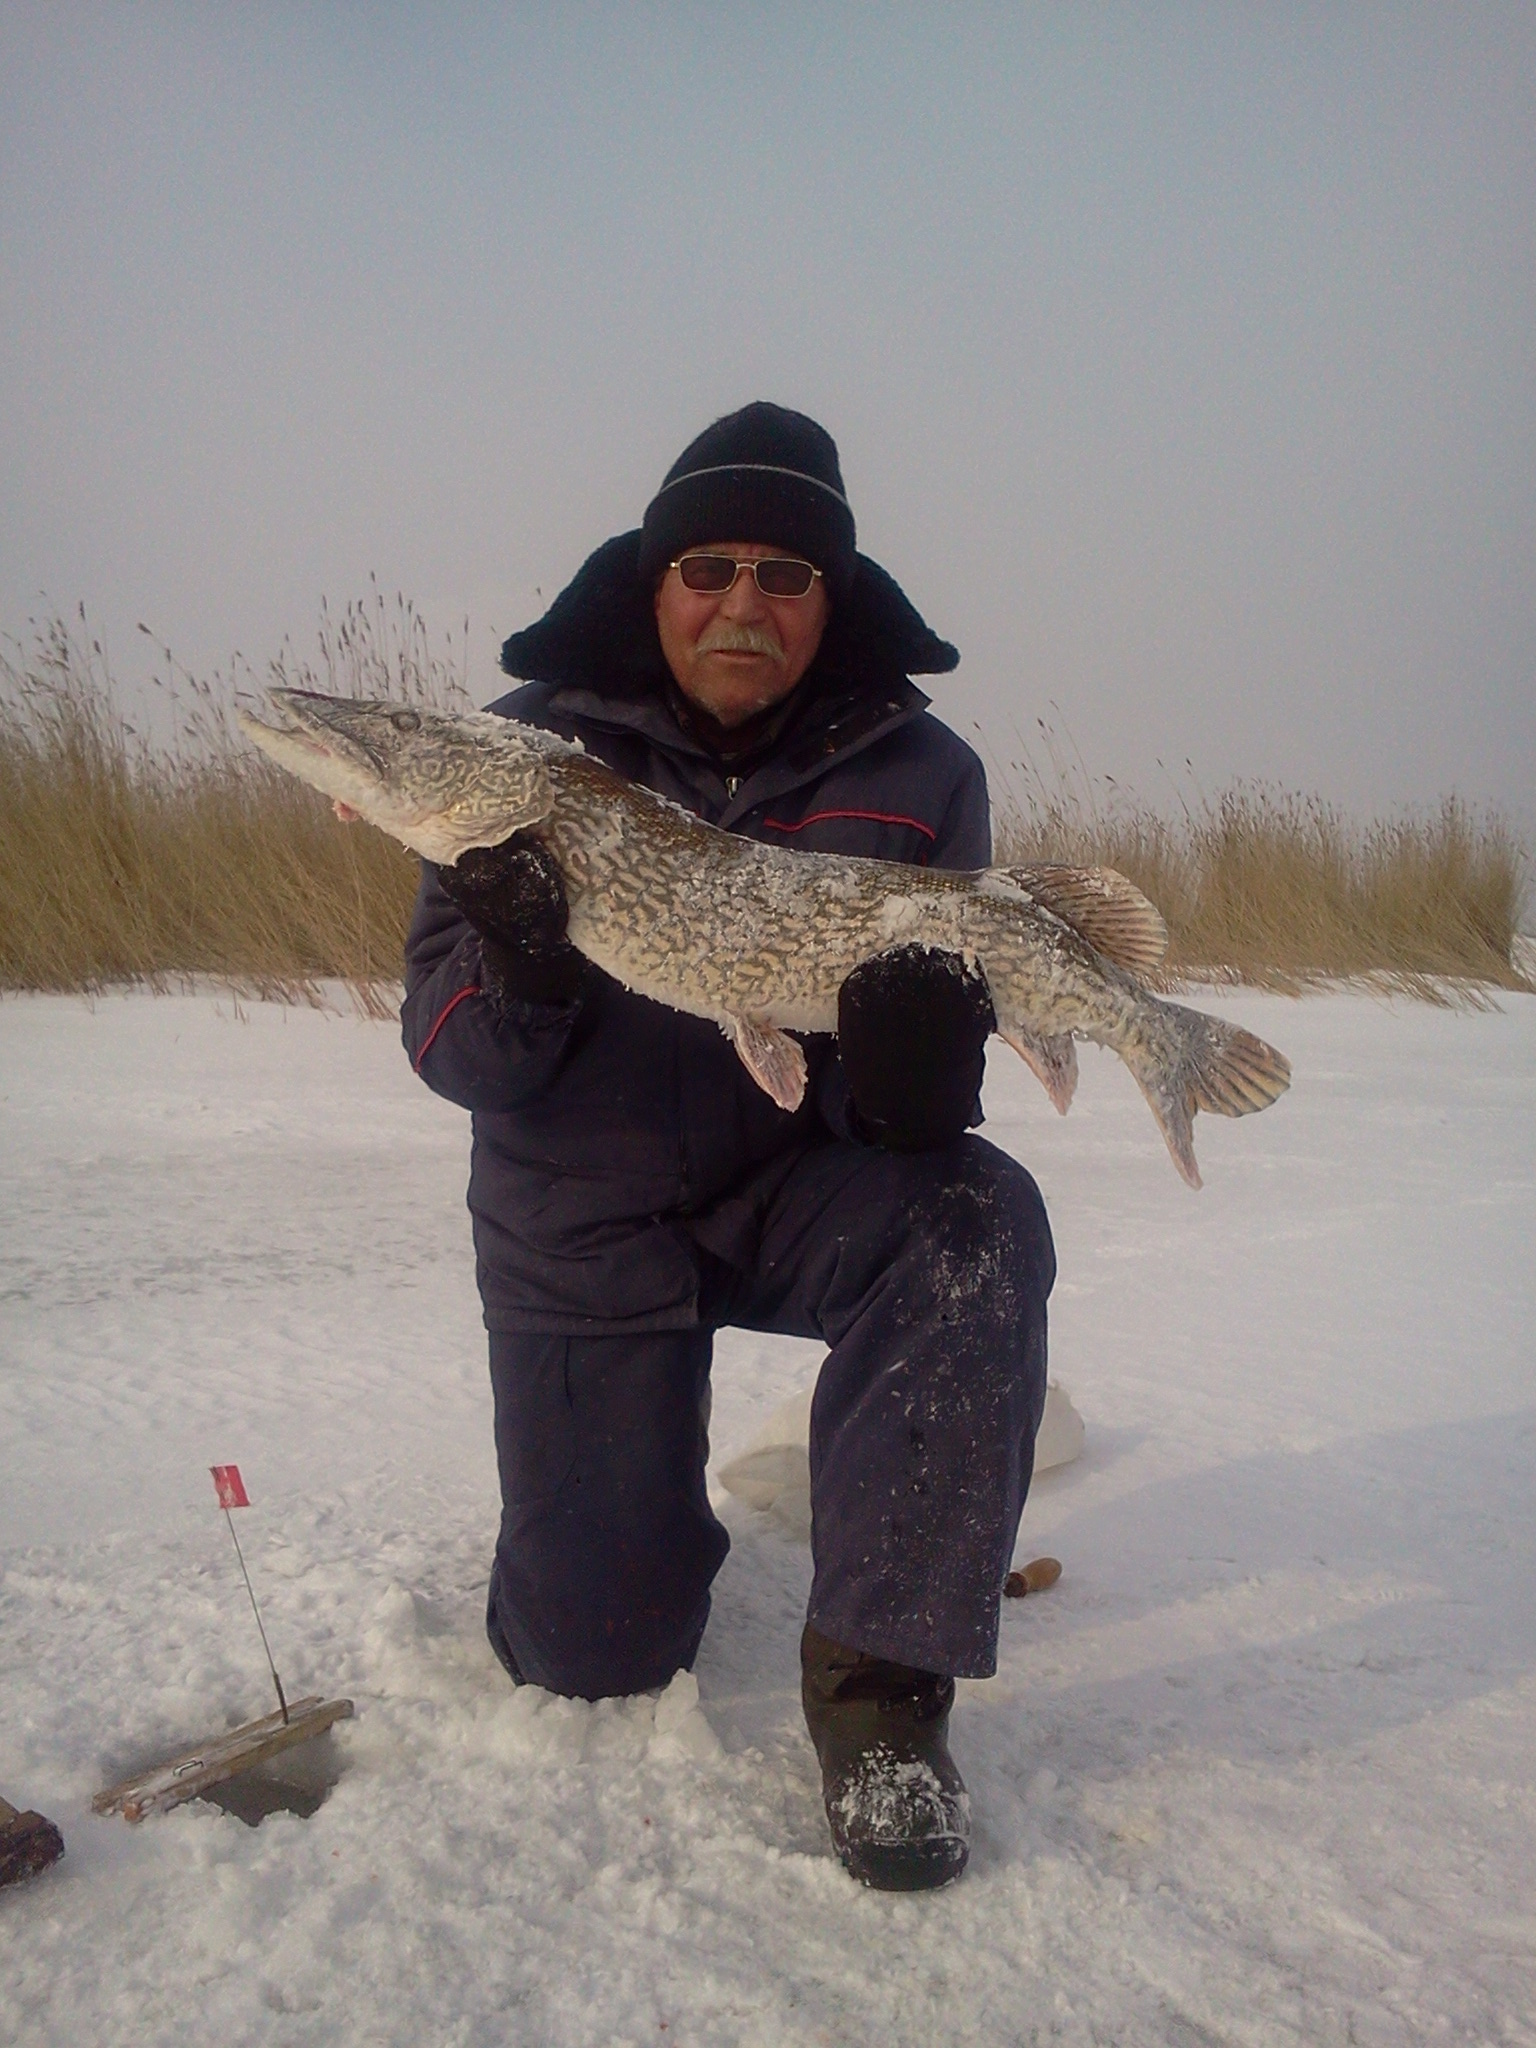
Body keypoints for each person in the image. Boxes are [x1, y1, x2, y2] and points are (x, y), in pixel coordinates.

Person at [402, 403, 1055, 1891]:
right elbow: (451, 1056)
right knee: (593, 1655)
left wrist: (912, 1090)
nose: (742, 604)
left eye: (785, 573)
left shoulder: (924, 771)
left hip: (789, 1188)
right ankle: (621, 1530)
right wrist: (524, 971)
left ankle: (883, 1696)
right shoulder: (517, 758)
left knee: (971, 1215)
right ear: (656, 582)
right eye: (708, 568)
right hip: (581, 1220)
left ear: (832, 596)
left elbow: (921, 1086)